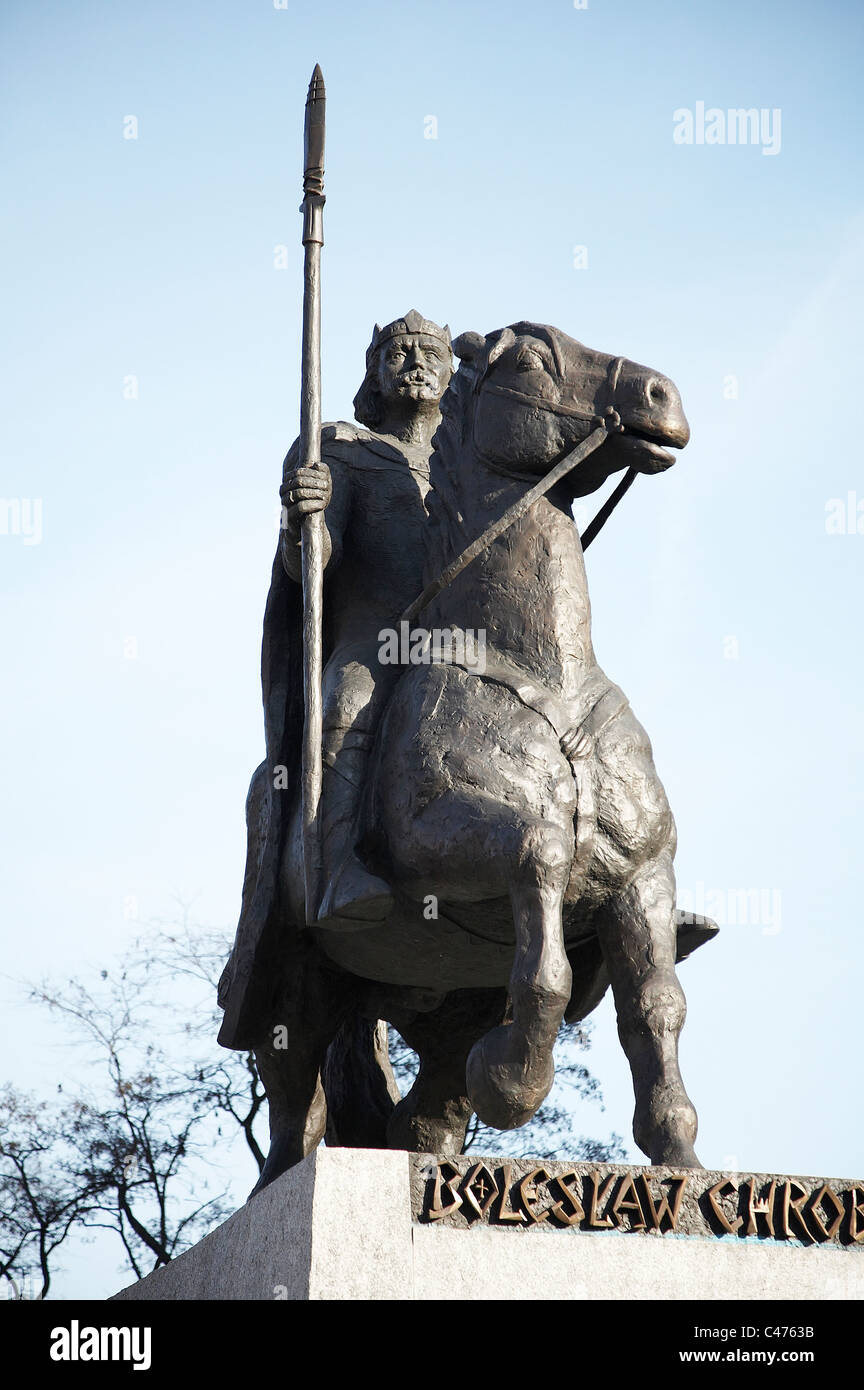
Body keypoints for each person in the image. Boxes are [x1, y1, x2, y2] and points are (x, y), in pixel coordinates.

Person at [278, 310, 452, 924]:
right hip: (377, 633)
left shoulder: (473, 461)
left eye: (431, 354)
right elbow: (311, 567)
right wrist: (304, 519)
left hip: (469, 637)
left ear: (452, 374)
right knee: (345, 705)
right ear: (375, 375)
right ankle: (335, 868)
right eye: (398, 354)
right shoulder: (342, 450)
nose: (415, 363)